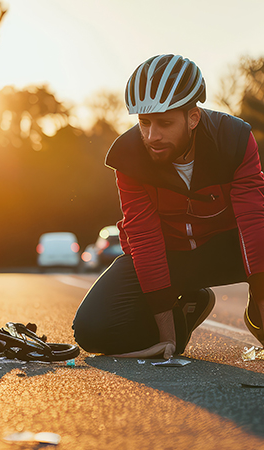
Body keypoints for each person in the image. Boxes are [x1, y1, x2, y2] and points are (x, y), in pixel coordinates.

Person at [73, 54, 264, 359]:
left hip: (225, 248)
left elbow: (254, 223)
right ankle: (188, 307)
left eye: (164, 123)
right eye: (144, 123)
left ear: (192, 117)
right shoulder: (128, 155)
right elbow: (144, 238)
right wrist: (167, 338)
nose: (151, 136)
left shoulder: (235, 139)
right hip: (167, 253)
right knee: (92, 330)